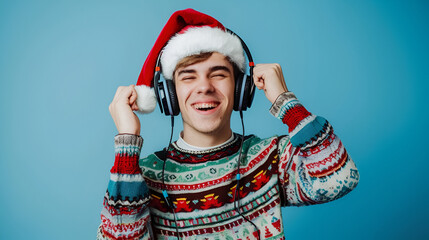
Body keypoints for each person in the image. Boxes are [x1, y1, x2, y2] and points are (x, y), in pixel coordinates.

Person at [97, 8, 359, 240]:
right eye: (188, 77)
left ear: (241, 88)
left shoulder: (270, 158)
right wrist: (127, 144)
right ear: (170, 95)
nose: (204, 88)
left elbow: (339, 178)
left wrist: (285, 102)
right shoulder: (144, 176)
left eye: (218, 74)